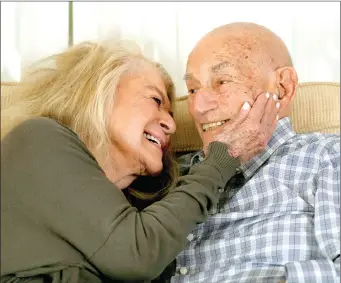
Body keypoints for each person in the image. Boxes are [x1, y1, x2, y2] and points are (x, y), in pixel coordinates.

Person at [1, 40, 279, 283]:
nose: (170, 124)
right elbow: (134, 253)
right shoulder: (36, 138)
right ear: (99, 91)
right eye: (155, 100)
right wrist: (222, 158)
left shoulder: (135, 209)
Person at [171, 22, 340, 283]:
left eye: (222, 82)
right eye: (193, 89)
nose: (198, 108)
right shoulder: (170, 174)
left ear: (283, 88)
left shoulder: (329, 158)